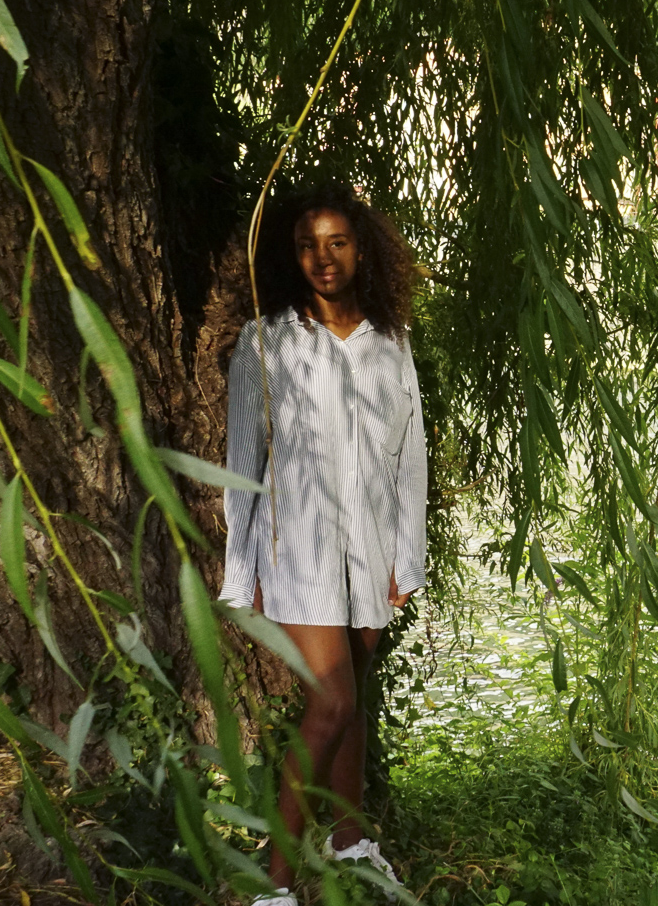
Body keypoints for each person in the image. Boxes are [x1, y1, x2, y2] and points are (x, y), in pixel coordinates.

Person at [220, 183, 426, 905]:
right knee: (332, 703)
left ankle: (350, 841)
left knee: (353, 697)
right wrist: (240, 572)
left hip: (370, 549)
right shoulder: (265, 341)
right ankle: (272, 888)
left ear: (361, 249)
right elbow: (242, 462)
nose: (323, 257)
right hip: (297, 550)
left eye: (337, 242)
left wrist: (407, 558)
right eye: (309, 244)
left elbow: (410, 456)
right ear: (292, 253)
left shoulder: (389, 343)